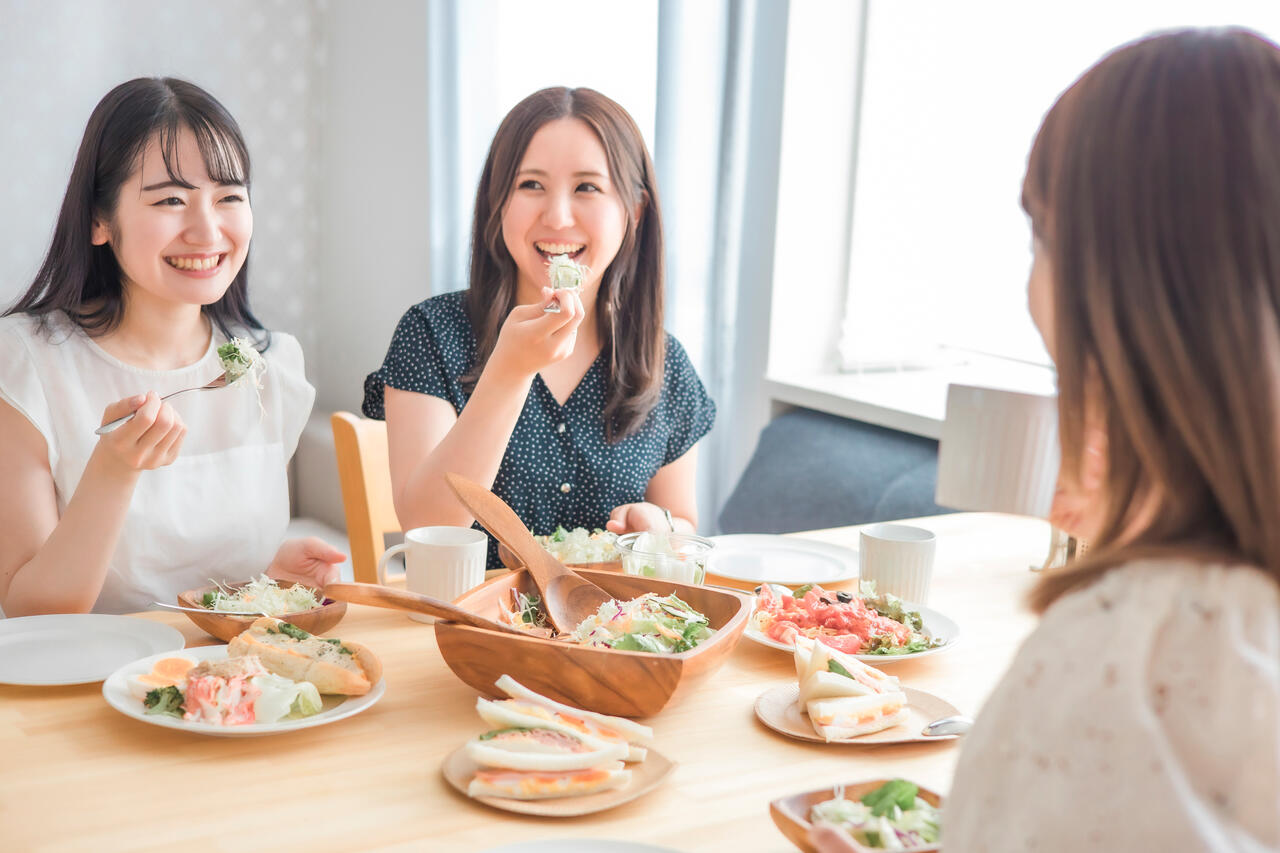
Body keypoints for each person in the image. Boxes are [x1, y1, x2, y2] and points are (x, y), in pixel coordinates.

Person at [0, 77, 344, 617]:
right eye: (170, 200)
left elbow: (187, 576)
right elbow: (35, 613)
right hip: (89, 684)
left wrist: (266, 572)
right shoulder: (27, 363)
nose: (207, 232)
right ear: (98, 219)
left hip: (232, 687)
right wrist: (113, 470)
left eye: (229, 197)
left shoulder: (267, 364)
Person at [363, 87, 715, 568]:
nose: (558, 216)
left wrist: (659, 527)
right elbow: (427, 528)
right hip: (473, 633)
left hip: (612, 631)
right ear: (498, 202)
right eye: (531, 185)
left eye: (587, 187)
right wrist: (508, 372)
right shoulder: (432, 333)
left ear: (633, 211)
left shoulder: (663, 360)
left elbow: (684, 524)